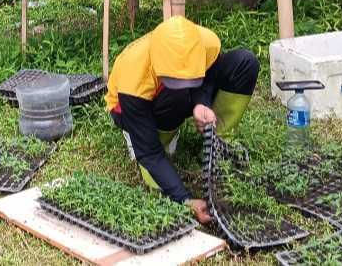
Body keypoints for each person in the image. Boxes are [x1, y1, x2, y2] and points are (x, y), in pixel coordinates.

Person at [104, 15, 259, 224]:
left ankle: (215, 144)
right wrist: (185, 199)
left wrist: (200, 103)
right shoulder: (134, 76)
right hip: (129, 109)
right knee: (171, 105)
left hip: (171, 95)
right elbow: (149, 153)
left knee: (245, 62)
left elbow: (208, 76)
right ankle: (153, 136)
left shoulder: (205, 42)